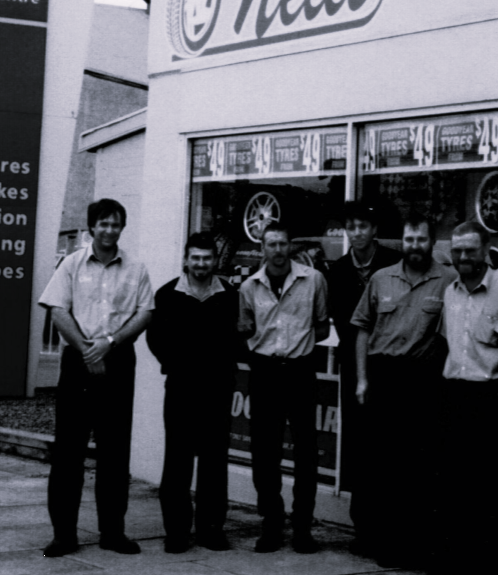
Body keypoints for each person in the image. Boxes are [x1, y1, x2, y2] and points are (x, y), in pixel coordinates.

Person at [37, 199, 153, 557]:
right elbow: (58, 310)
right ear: (91, 228)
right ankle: (64, 534)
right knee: (68, 451)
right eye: (103, 224)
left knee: (115, 453)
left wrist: (110, 344)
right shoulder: (71, 264)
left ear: (122, 228)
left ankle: (113, 532)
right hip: (78, 363)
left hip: (118, 362)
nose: (109, 230)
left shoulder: (135, 269)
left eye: (116, 224)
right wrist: (89, 351)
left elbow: (145, 313)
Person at [350, 210, 451, 567]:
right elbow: (362, 329)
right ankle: (384, 542)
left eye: (421, 239)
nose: (415, 246)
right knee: (384, 466)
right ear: (401, 242)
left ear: (432, 241)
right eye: (409, 239)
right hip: (384, 378)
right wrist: (363, 379)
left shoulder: (448, 280)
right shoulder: (380, 279)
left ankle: (416, 545)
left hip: (424, 381)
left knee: (420, 467)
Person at [237, 222, 330, 554]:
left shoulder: (313, 279)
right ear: (262, 248)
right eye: (271, 244)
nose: (277, 250)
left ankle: (303, 526)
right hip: (265, 371)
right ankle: (271, 524)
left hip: (300, 370)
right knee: (265, 452)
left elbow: (320, 326)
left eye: (283, 244)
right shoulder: (249, 286)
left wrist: (296, 346)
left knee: (306, 452)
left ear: (291, 246)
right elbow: (245, 327)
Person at [145, 232, 240, 554]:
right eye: (195, 258)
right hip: (182, 388)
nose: (201, 264)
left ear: (215, 260)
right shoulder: (168, 294)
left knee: (214, 461)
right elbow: (155, 338)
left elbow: (238, 337)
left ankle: (211, 529)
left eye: (207, 258)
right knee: (178, 461)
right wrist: (175, 364)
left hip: (217, 389)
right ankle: (176, 531)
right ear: (186, 259)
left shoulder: (229, 294)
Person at [436, 220, 498, 575]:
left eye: (470, 249)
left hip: (492, 396)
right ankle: (458, 556)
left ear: (486, 250)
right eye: (457, 250)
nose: (463, 256)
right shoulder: (450, 290)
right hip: (455, 393)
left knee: (490, 483)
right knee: (455, 481)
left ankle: (488, 560)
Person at [324, 200, 399, 541]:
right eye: (351, 227)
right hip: (353, 368)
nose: (357, 233)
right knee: (357, 443)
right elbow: (339, 320)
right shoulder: (337, 271)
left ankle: (388, 521)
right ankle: (363, 525)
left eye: (363, 226)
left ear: (375, 231)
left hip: (387, 365)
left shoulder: (392, 264)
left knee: (387, 442)